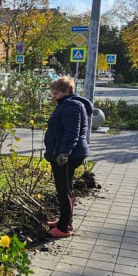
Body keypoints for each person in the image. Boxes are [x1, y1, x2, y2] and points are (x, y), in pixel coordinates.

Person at [43, 76, 92, 238]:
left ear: (66, 91)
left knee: (64, 190)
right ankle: (64, 220)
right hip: (62, 153)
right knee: (64, 188)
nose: (53, 96)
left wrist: (64, 153)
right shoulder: (65, 104)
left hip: (68, 155)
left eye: (56, 93)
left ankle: (64, 228)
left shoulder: (71, 106)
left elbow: (72, 132)